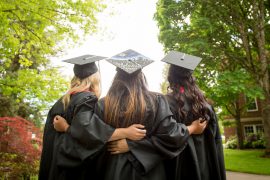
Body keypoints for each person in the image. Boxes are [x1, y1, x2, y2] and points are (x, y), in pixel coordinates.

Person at [54, 49, 207, 180]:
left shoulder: (102, 104)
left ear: (116, 77)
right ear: (141, 76)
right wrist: (192, 128)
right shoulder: (157, 101)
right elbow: (170, 136)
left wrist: (68, 128)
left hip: (111, 171)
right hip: (149, 173)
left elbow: (92, 140)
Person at [38, 54, 146, 180]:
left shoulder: (62, 101)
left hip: (55, 166)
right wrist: (125, 132)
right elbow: (88, 132)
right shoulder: (86, 98)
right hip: (72, 171)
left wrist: (67, 128)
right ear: (95, 78)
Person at [161, 51, 226, 180]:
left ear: (171, 76)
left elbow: (165, 139)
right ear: (191, 76)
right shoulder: (206, 106)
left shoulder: (165, 103)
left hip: (179, 169)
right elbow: (217, 143)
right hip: (207, 167)